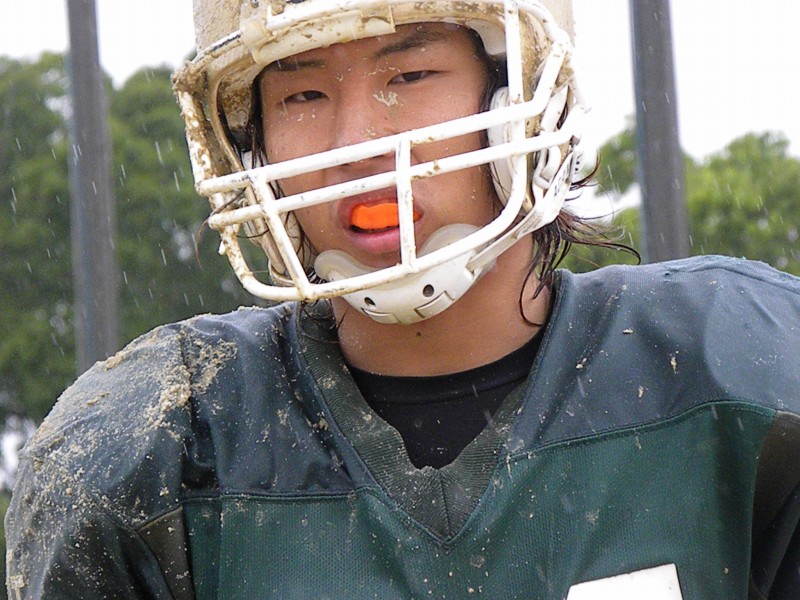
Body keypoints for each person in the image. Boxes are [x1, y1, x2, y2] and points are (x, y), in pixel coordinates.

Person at [6, 0, 800, 598]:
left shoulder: (743, 378)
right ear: (252, 145)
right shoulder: (158, 451)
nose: (355, 143)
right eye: (302, 95)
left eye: (410, 76)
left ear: (520, 91)